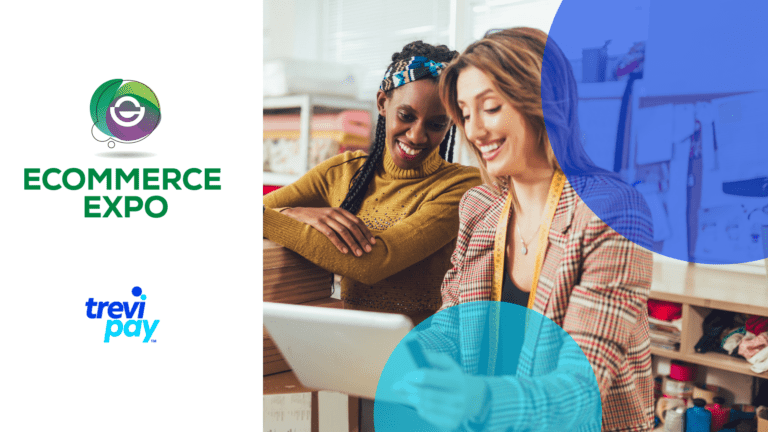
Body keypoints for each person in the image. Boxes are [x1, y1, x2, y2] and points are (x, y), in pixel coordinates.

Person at [395, 28, 655, 431]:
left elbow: (580, 387)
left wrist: (477, 400)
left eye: (491, 107)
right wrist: (411, 363)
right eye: (465, 114)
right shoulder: (479, 208)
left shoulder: (612, 211)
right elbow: (451, 326)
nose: (475, 131)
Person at [263, 41, 481, 325]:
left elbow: (374, 262)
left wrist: (277, 218)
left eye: (436, 124)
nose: (416, 136)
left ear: (450, 123)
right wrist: (292, 213)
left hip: (421, 353)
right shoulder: (342, 171)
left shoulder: (461, 187)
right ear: (382, 103)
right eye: (406, 116)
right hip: (351, 341)